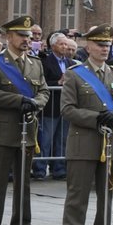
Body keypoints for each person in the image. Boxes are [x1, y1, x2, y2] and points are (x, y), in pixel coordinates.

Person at [58, 24, 113, 225]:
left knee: (107, 194)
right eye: (100, 45)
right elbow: (67, 109)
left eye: (108, 45)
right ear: (88, 46)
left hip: (109, 143)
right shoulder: (75, 74)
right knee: (77, 195)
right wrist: (96, 118)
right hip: (84, 142)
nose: (104, 49)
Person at [0, 15, 50, 225]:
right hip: (4, 128)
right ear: (9, 37)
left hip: (27, 129)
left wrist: (36, 103)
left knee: (23, 182)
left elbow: (45, 92)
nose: (26, 40)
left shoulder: (35, 63)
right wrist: (19, 100)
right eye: (21, 35)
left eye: (28, 36)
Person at [37, 33, 76, 179]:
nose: (65, 47)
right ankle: (40, 169)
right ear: (53, 46)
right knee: (46, 139)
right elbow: (42, 83)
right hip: (50, 107)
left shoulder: (71, 63)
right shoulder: (45, 61)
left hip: (65, 107)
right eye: (61, 44)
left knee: (62, 139)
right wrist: (58, 83)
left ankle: (59, 169)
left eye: (66, 44)